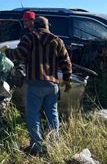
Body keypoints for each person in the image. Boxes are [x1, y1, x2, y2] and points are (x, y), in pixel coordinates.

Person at [4, 16, 72, 155]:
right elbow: (66, 62)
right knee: (52, 114)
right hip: (53, 84)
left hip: (35, 83)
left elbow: (19, 54)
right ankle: (54, 145)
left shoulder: (29, 37)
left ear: (35, 25)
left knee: (32, 114)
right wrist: (67, 79)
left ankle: (37, 147)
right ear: (48, 26)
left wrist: (6, 51)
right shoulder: (57, 40)